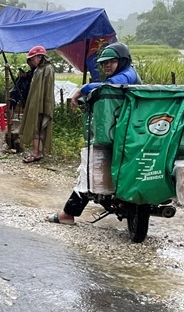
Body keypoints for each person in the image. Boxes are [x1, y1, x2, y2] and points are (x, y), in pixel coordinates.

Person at [47, 42, 141, 225]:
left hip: (120, 136)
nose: (106, 65)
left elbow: (109, 86)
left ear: (123, 61)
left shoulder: (126, 75)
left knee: (90, 170)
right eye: (104, 62)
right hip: (129, 134)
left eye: (112, 61)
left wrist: (82, 89)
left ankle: (68, 214)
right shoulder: (127, 75)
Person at [19, 46, 55, 163]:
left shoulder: (47, 69)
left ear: (40, 57)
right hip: (36, 102)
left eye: (33, 58)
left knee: (39, 128)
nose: (31, 61)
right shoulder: (39, 69)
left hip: (42, 103)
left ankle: (37, 153)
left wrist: (43, 104)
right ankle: (37, 152)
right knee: (36, 127)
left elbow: (46, 89)